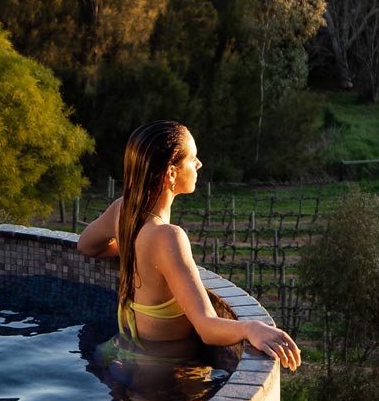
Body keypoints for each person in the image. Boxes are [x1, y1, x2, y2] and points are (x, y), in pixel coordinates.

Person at [78, 121, 301, 371]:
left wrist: (132, 249)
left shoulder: (122, 210)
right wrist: (251, 328)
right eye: (192, 158)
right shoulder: (168, 237)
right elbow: (206, 327)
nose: (199, 164)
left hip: (117, 351)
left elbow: (87, 245)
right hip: (157, 375)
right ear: (171, 173)